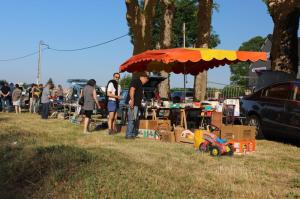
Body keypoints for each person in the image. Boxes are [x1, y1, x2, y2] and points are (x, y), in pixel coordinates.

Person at [125, 73, 149, 139]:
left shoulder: (140, 83)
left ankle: (132, 134)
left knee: (134, 119)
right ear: (143, 77)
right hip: (133, 103)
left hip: (136, 104)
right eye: (146, 80)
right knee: (131, 119)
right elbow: (132, 90)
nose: (146, 82)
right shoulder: (136, 81)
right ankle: (129, 135)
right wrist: (132, 100)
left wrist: (140, 104)